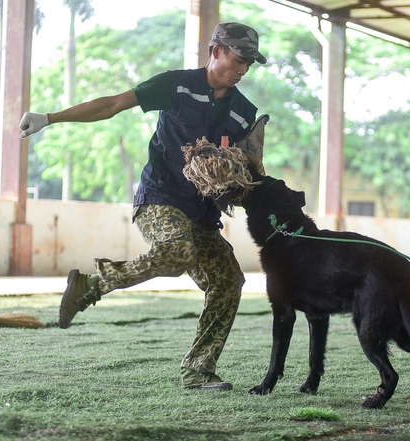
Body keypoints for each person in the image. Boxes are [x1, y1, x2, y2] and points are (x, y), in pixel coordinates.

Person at [19, 22, 267, 390]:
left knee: (229, 280)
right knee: (177, 251)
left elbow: (249, 166)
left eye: (250, 62)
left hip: (202, 214)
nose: (244, 68)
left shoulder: (245, 111)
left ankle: (198, 370)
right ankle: (92, 285)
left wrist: (245, 181)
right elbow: (113, 105)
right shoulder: (175, 84)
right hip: (159, 199)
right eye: (239, 58)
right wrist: (51, 118)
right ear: (216, 51)